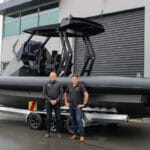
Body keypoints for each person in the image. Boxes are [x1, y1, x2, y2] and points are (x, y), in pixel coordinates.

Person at [64, 74, 89, 142]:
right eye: (73, 79)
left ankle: (82, 136)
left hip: (78, 107)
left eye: (75, 79)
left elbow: (86, 94)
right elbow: (65, 93)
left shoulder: (81, 86)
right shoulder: (69, 85)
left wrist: (83, 104)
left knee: (79, 120)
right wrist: (66, 102)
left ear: (77, 79)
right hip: (71, 106)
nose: (74, 80)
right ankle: (75, 134)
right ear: (71, 79)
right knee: (73, 121)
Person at [43, 71, 63, 138]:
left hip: (57, 103)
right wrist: (50, 100)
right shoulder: (46, 83)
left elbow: (61, 94)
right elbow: (44, 94)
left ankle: (59, 132)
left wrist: (56, 100)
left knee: (58, 118)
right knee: (48, 118)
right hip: (49, 103)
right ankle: (47, 132)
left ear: (55, 77)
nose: (53, 77)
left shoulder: (59, 84)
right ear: (50, 76)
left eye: (54, 76)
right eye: (51, 76)